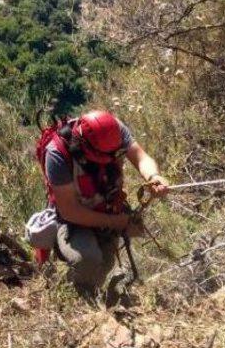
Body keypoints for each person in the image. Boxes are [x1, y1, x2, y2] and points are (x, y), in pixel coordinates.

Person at [44, 110, 169, 292]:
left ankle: (91, 293)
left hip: (107, 207)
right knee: (87, 260)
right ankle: (68, 294)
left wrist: (154, 176)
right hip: (73, 220)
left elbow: (140, 157)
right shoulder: (57, 154)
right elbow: (69, 211)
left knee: (105, 262)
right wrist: (114, 222)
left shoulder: (113, 132)